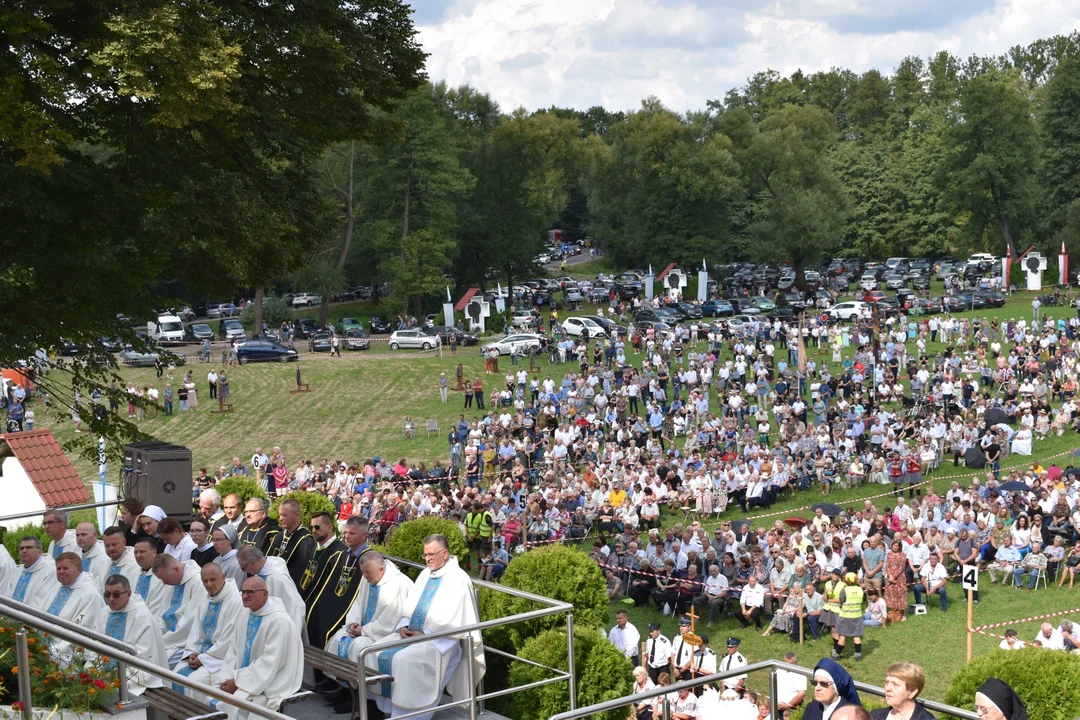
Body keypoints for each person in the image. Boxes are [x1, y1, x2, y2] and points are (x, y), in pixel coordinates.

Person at [368, 534, 486, 720]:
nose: (428, 559)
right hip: (412, 634)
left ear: (445, 553)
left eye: (432, 554)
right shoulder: (425, 574)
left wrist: (425, 633)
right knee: (375, 652)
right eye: (425, 555)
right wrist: (403, 625)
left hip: (442, 640)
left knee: (405, 661)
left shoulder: (458, 579)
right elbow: (409, 606)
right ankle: (386, 712)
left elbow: (454, 618)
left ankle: (410, 716)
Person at [324, 553, 413, 713]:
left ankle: (365, 700)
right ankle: (347, 691)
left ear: (381, 568)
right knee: (339, 639)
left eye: (368, 573)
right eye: (363, 572)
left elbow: (391, 620)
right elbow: (358, 603)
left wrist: (364, 631)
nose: (365, 577)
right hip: (365, 629)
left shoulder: (396, 584)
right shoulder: (370, 577)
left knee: (359, 647)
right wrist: (353, 623)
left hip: (385, 633)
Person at [214, 576, 304, 720]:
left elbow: (270, 661)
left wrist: (237, 682)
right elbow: (234, 650)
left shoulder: (279, 621)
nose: (245, 596)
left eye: (250, 592)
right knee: (212, 696)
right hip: (246, 677)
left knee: (232, 705)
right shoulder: (246, 613)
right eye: (243, 592)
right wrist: (227, 677)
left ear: (265, 594)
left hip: (269, 681)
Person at [172, 563, 244, 697]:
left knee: (193, 682)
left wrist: (203, 659)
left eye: (213, 579)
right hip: (201, 655)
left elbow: (228, 640)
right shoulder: (205, 600)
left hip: (220, 660)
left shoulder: (236, 601)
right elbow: (195, 632)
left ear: (223, 576)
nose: (209, 584)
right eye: (205, 581)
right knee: (174, 674)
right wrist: (192, 653)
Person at [93, 575, 169, 696]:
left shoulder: (141, 615)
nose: (111, 599)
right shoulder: (104, 612)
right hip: (105, 671)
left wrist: (114, 674)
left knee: (109, 689)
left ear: (128, 594)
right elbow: (96, 645)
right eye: (107, 594)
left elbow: (144, 657)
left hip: (134, 674)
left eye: (116, 594)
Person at [304, 516, 368, 652]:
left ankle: (323, 671)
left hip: (352, 610)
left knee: (326, 628)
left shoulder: (368, 559)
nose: (347, 537)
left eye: (352, 533)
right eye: (345, 533)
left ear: (364, 535)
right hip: (332, 602)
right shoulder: (341, 555)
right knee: (312, 615)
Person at [152, 554, 209, 666]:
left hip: (182, 642)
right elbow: (164, 613)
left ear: (176, 569)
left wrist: (162, 640)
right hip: (169, 637)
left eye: (164, 579)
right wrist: (156, 634)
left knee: (156, 663)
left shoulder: (198, 582)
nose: (164, 583)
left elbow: (190, 622)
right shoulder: (174, 580)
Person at [236, 546, 306, 633]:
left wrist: (290, 635)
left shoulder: (277, 578)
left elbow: (296, 607)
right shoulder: (260, 573)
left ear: (252, 563)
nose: (244, 571)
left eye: (243, 568)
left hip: (278, 630)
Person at [45, 552, 104, 628]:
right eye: (58, 568)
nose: (61, 572)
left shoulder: (91, 594)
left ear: (78, 569)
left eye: (65, 568)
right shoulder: (57, 586)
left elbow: (82, 625)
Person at [271, 498, 315, 588]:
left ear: (297, 515)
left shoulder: (305, 540)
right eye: (280, 515)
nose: (280, 519)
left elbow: (302, 573)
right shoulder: (279, 536)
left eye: (284, 515)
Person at [869, 662, 935, 720]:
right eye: (887, 682)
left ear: (912, 692)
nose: (888, 688)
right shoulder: (874, 716)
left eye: (895, 684)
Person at [7, 536, 59, 607]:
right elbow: (8, 594)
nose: (24, 551)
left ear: (40, 551)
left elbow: (41, 602)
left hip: (30, 616)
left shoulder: (50, 570)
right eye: (21, 548)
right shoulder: (19, 570)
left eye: (29, 547)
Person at [833, 572, 866, 661]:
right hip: (857, 615)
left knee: (843, 636)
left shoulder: (845, 590)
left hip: (846, 615)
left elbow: (841, 602)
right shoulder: (860, 590)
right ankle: (858, 655)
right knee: (856, 636)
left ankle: (836, 654)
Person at [75, 522, 111, 591]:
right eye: (77, 535)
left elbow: (101, 585)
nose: (79, 538)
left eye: (83, 535)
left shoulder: (104, 556)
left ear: (94, 535)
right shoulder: (77, 553)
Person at [884, 540, 909, 624]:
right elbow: (887, 565)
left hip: (900, 578)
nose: (895, 547)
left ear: (899, 547)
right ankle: (893, 613)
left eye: (897, 546)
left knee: (901, 595)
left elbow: (901, 568)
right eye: (894, 545)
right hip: (890, 577)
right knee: (891, 594)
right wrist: (890, 576)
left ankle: (904, 614)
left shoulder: (902, 555)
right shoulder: (889, 554)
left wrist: (894, 576)